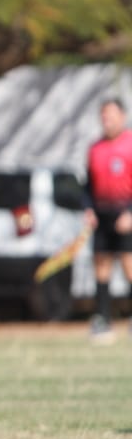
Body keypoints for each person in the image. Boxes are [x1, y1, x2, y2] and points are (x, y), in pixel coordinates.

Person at [83, 98, 132, 344]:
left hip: (126, 213)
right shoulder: (95, 148)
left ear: (122, 117)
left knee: (129, 266)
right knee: (101, 266)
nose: (107, 120)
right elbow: (88, 185)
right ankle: (103, 319)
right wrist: (88, 209)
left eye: (111, 115)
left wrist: (131, 213)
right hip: (102, 213)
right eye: (103, 116)